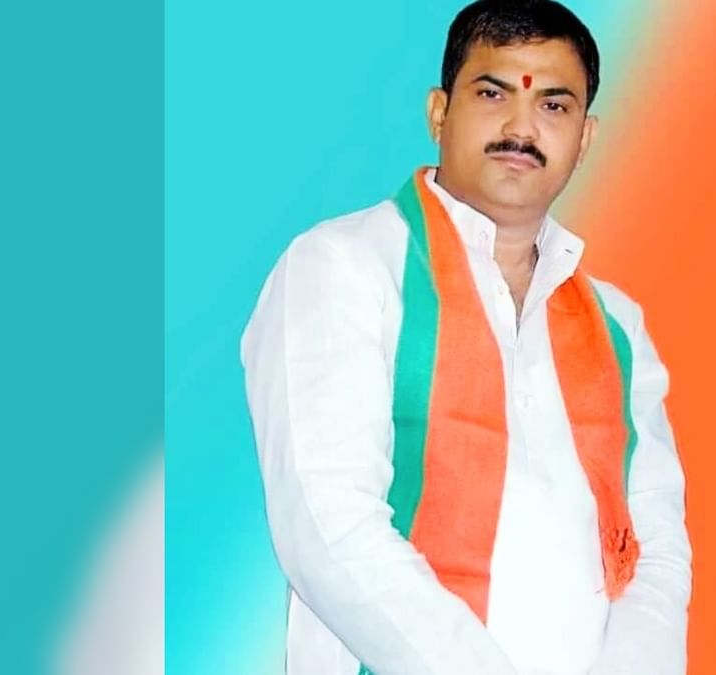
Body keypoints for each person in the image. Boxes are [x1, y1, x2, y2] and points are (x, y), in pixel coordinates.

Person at [240, 1, 691, 673]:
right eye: (492, 93)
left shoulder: (616, 325)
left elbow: (656, 549)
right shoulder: (344, 268)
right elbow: (327, 525)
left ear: (585, 138)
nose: (521, 127)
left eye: (554, 105)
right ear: (439, 112)